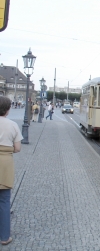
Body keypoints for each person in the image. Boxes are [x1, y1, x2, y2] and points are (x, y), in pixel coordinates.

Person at [0, 96, 23, 246]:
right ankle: (4, 237)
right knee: (4, 201)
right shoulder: (13, 125)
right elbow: (17, 148)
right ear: (8, 109)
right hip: (5, 163)